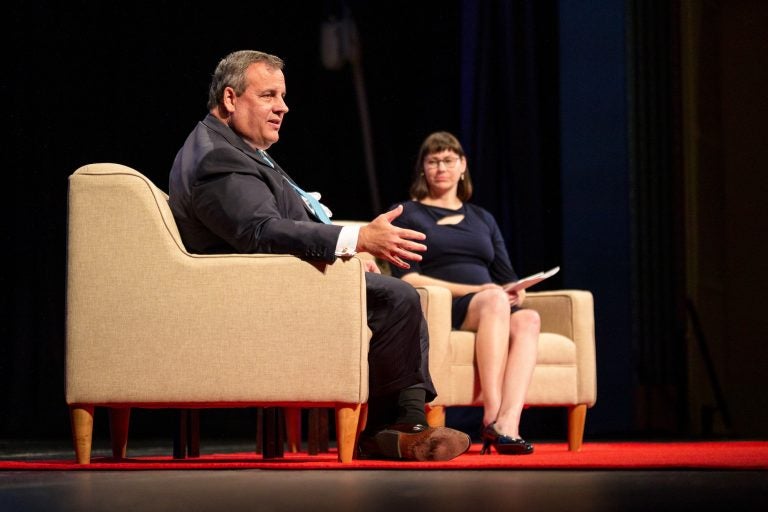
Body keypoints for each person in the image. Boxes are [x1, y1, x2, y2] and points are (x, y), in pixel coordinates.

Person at [168, 50, 470, 461]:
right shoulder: (218, 157)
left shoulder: (232, 148)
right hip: (251, 294)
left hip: (274, 279)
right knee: (397, 299)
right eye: (270, 95)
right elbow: (260, 232)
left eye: (283, 96)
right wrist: (355, 239)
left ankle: (399, 427)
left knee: (394, 295)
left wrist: (347, 253)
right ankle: (396, 428)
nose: (283, 107)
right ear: (230, 98)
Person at [389, 131, 540, 455]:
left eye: (448, 160)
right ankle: (492, 414)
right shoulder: (408, 213)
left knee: (528, 319)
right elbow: (410, 279)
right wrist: (483, 290)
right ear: (423, 169)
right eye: (433, 161)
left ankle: (508, 424)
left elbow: (506, 277)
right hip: (448, 307)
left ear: (462, 166)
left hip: (492, 304)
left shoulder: (483, 218)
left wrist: (517, 293)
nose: (440, 167)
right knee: (495, 299)